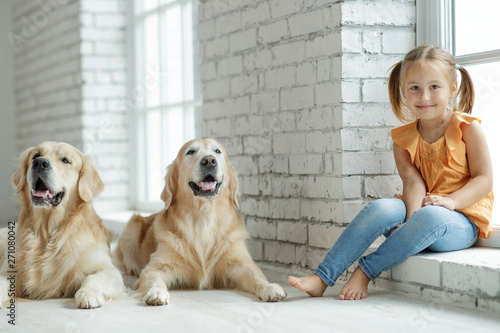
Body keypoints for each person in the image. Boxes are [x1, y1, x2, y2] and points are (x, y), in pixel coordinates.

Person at [288, 45, 494, 301]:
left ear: (452, 87)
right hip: (420, 212)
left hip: (458, 221)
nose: (424, 97)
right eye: (414, 88)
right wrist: (410, 221)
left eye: (434, 87)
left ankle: (366, 271)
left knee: (431, 215)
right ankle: (322, 277)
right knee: (379, 209)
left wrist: (450, 202)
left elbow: (484, 179)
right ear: (403, 91)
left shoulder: (467, 128)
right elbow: (412, 181)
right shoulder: (403, 138)